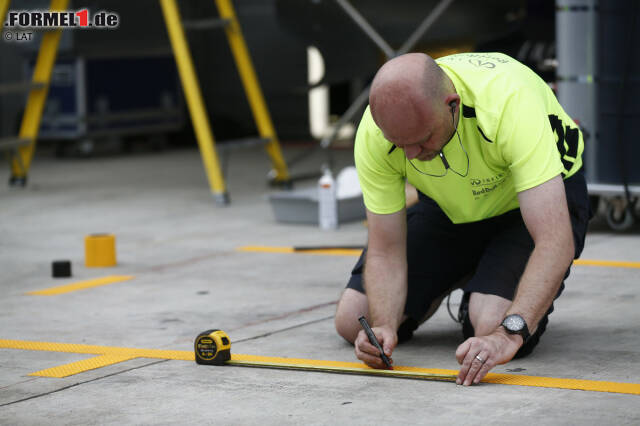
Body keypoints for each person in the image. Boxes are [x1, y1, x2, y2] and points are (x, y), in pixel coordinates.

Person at [334, 52, 592, 386]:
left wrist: (508, 333)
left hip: (527, 207)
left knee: (489, 328)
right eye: (398, 144)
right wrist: (384, 324)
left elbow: (554, 240)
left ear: (452, 104)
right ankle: (471, 268)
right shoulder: (375, 131)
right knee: (354, 321)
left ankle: (484, 281)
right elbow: (385, 247)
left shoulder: (509, 101)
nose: (411, 154)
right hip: (450, 203)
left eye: (422, 139)